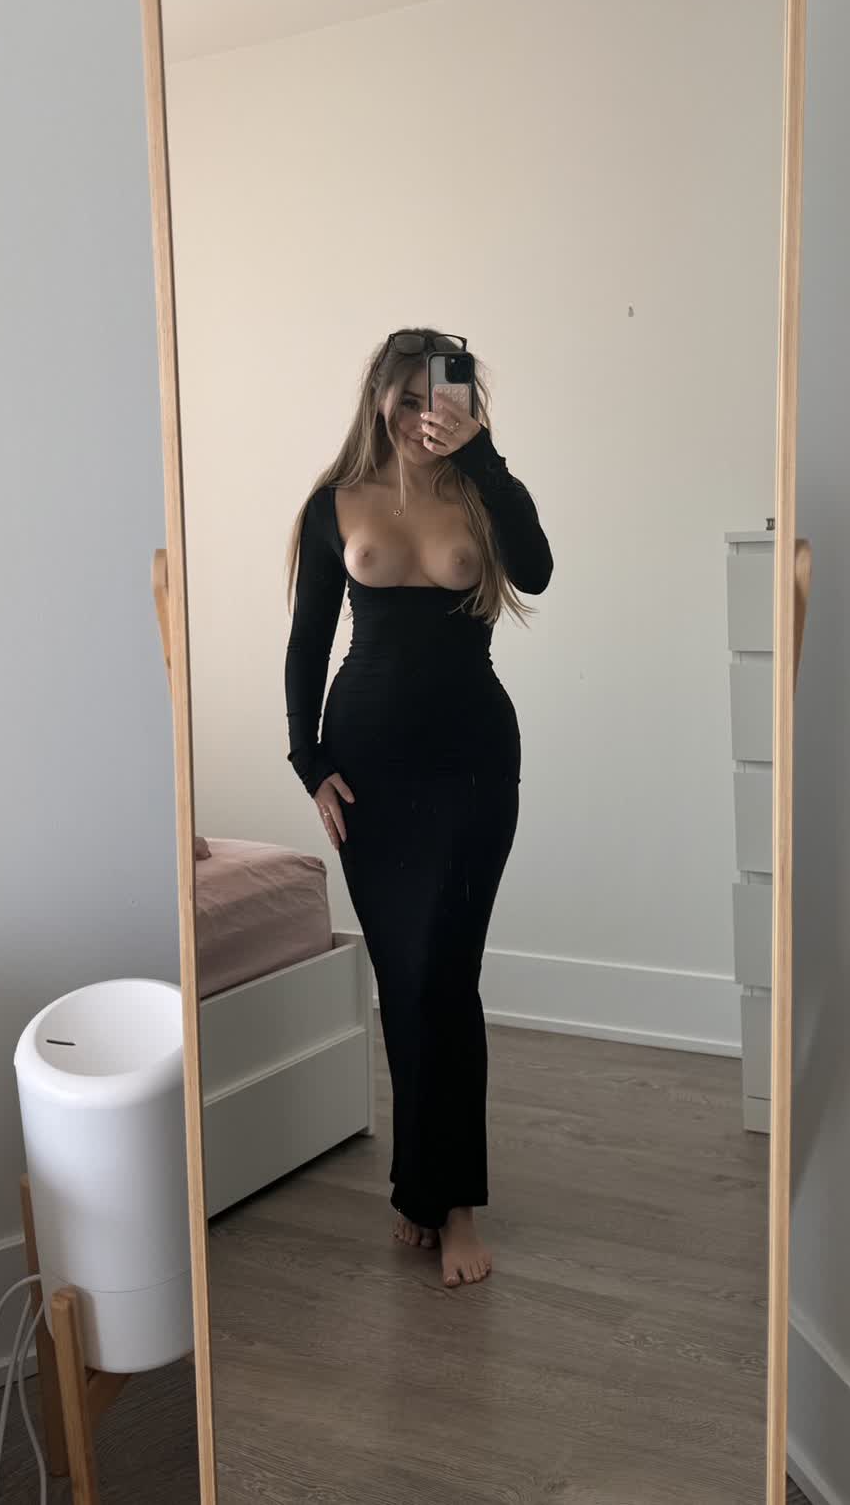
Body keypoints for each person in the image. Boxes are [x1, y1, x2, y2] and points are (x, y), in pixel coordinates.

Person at [283, 328, 552, 1288]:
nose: (417, 417)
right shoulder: (333, 503)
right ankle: (416, 1185)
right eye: (403, 399)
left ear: (463, 403)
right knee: (403, 978)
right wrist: (309, 763)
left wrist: (481, 455)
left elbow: (536, 570)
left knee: (448, 977)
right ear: (376, 400)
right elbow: (307, 643)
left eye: (436, 398)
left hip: (472, 764)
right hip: (370, 772)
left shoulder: (482, 494)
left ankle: (456, 1205)